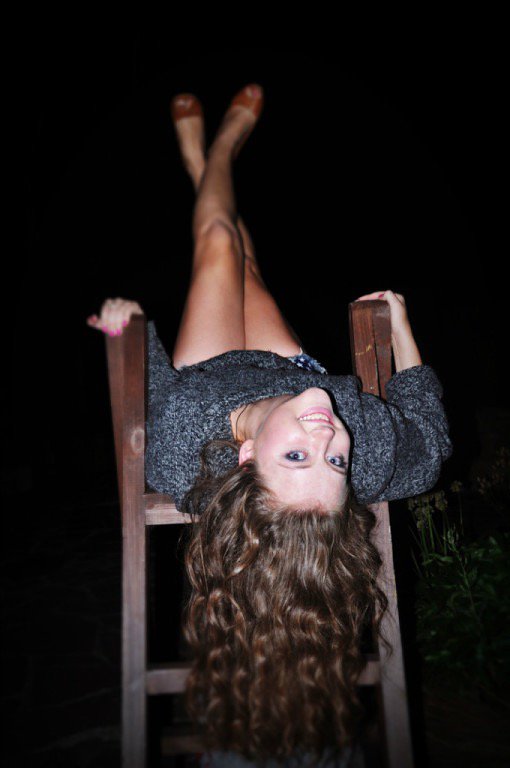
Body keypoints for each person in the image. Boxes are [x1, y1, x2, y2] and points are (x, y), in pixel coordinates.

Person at [87, 85, 452, 767]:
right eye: (335, 463)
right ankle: (204, 168)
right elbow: (430, 447)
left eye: (296, 458)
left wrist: (127, 330)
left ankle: (215, 151)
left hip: (211, 377)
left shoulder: (183, 450)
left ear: (246, 456)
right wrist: (402, 331)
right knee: (248, 263)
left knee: (218, 244)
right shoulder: (365, 443)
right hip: (286, 369)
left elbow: (153, 382)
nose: (325, 435)